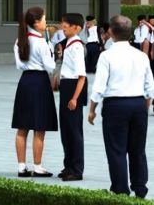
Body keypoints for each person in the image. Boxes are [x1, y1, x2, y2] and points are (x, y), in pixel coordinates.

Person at [87, 15, 154, 199]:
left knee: (116, 149)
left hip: (115, 105)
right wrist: (145, 103)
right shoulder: (140, 55)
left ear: (110, 32)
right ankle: (140, 188)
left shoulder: (106, 55)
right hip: (138, 103)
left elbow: (99, 86)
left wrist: (92, 109)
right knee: (138, 149)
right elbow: (150, 85)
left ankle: (120, 189)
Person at [12, 6, 58, 178]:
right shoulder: (41, 42)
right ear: (37, 22)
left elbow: (19, 65)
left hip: (25, 82)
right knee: (40, 127)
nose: (46, 23)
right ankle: (37, 166)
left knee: (22, 127)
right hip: (40, 82)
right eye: (44, 19)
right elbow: (50, 67)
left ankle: (21, 167)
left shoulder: (19, 41)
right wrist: (54, 53)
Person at [57, 13, 88, 182]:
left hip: (73, 88)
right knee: (66, 130)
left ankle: (76, 169)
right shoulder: (68, 43)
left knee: (74, 130)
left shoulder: (76, 46)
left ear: (76, 28)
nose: (63, 28)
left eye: (66, 26)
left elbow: (81, 76)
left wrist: (75, 98)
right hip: (67, 86)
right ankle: (68, 164)